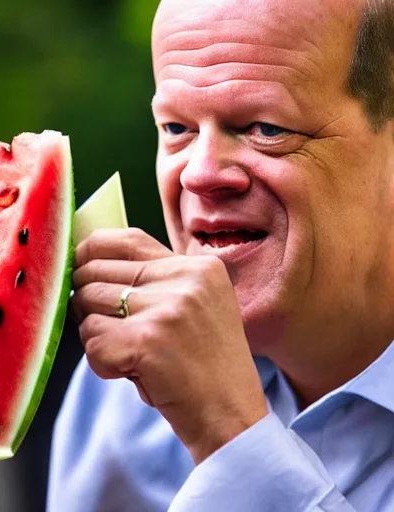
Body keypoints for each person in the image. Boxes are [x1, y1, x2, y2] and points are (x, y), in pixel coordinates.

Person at [46, 0, 394, 511]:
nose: (199, 174)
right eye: (176, 129)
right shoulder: (119, 391)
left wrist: (229, 433)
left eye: (267, 128)